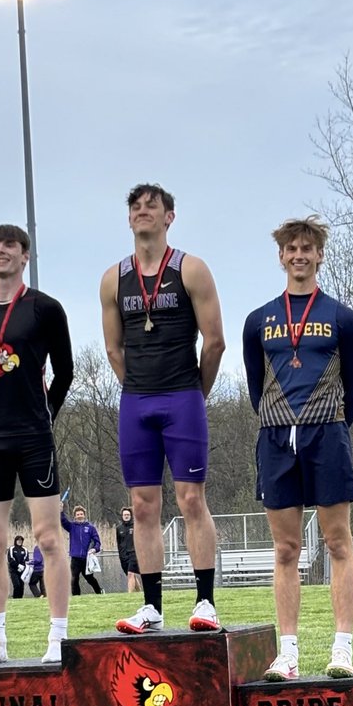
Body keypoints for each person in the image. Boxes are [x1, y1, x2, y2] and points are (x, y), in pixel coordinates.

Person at [243, 215, 353, 680]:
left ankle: (342, 648)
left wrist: (328, 423)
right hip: (275, 437)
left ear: (319, 255)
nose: (299, 255)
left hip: (327, 434)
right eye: (291, 249)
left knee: (338, 541)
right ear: (281, 257)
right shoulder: (259, 321)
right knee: (285, 549)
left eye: (307, 249)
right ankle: (288, 652)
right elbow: (256, 388)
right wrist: (281, 419)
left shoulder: (342, 318)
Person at [100, 182, 225, 634]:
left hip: (183, 397)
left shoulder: (191, 270)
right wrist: (137, 387)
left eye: (152, 206)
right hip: (136, 402)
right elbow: (114, 349)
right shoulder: (113, 278)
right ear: (128, 218)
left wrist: (197, 393)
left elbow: (215, 342)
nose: (143, 212)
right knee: (143, 504)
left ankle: (205, 601)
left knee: (191, 499)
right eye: (135, 206)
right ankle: (151, 606)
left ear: (169, 216)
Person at [0, 222, 74, 665]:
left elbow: (65, 372)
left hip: (33, 437)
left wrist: (45, 416)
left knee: (47, 537)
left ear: (25, 256)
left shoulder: (45, 309)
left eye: (10, 245)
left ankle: (57, 637)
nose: (1, 251)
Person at [61, 504, 103, 595]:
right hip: (75, 558)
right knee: (74, 578)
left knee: (89, 578)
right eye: (78, 514)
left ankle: (99, 592)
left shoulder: (91, 528)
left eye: (81, 514)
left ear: (84, 515)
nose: (79, 516)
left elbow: (97, 542)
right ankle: (77, 597)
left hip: (86, 558)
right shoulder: (72, 526)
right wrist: (60, 511)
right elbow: (63, 521)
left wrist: (94, 549)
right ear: (75, 516)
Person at [116, 506, 142, 593]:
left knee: (131, 573)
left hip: (134, 554)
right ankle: (139, 592)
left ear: (131, 515)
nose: (126, 516)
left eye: (128, 514)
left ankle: (129, 594)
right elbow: (119, 542)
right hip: (123, 555)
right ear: (122, 516)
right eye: (124, 515)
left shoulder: (136, 526)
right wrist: (121, 554)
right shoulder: (119, 528)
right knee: (131, 575)